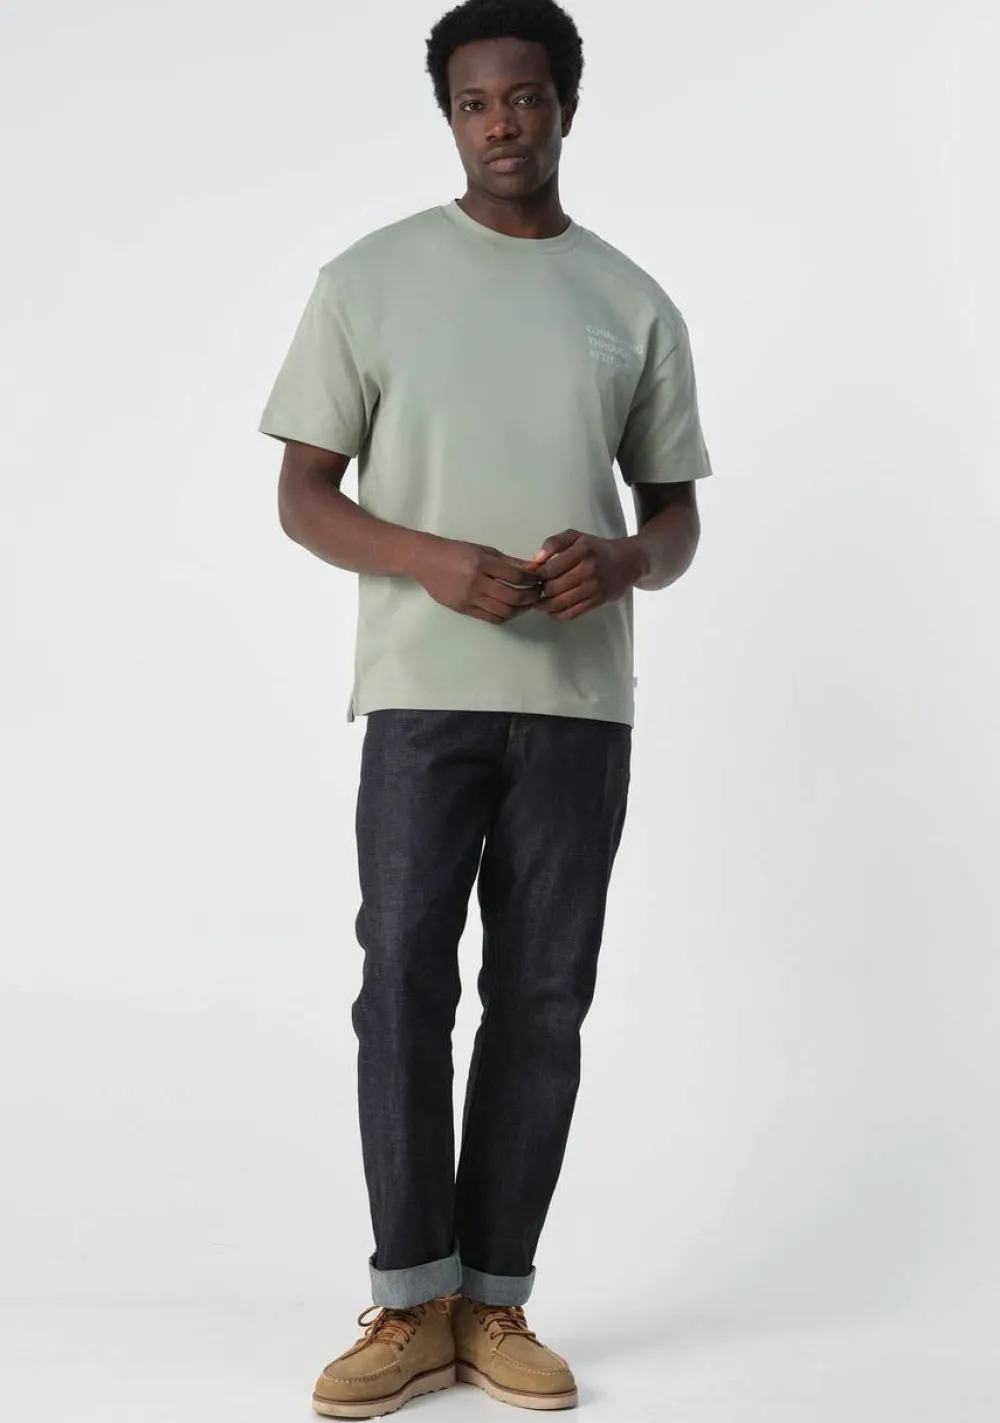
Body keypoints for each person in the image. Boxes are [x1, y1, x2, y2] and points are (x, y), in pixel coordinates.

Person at [258, 0, 714, 1413]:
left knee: (543, 994)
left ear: (566, 104)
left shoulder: (632, 302)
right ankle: (410, 1301)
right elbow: (304, 496)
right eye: (474, 102)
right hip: (421, 695)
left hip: (579, 706)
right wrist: (428, 559)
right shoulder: (369, 280)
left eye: (524, 97)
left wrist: (625, 559)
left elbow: (676, 518)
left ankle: (496, 1300)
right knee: (401, 978)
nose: (502, 123)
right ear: (449, 117)